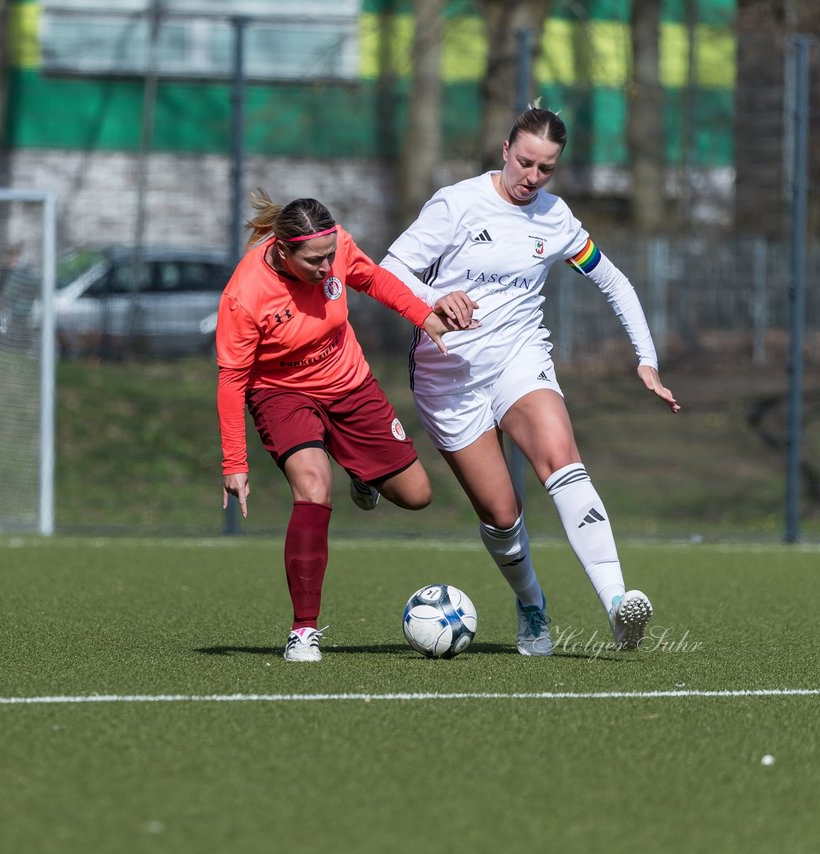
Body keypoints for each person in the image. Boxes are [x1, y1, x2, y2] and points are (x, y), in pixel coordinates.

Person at [380, 103, 681, 656]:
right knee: (501, 514)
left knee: (561, 457)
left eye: (545, 169)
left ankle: (617, 605)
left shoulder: (555, 217)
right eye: (524, 163)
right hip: (449, 376)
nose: (532, 178)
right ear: (504, 151)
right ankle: (532, 604)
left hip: (519, 358)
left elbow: (614, 282)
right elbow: (387, 271)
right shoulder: (457, 205)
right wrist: (433, 298)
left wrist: (646, 358)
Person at [217, 190, 473, 663]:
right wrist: (234, 461)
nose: (326, 267)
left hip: (350, 384)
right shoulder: (244, 294)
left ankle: (362, 473)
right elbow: (232, 380)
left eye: (330, 256)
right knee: (314, 486)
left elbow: (375, 279)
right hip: (281, 394)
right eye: (314, 260)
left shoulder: (335, 250)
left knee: (417, 495)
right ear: (282, 248)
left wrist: (424, 315)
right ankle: (303, 630)